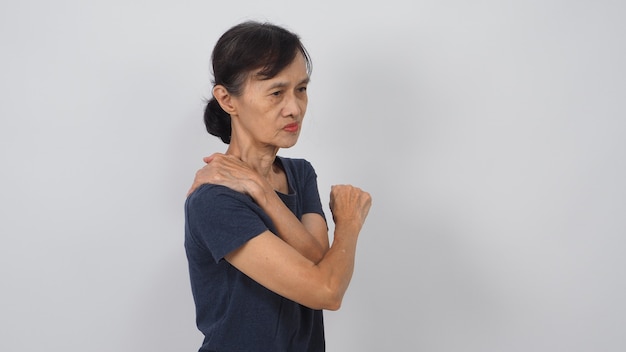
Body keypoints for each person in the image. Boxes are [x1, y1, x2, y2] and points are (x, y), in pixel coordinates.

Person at [184, 21, 372, 352]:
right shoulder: (214, 199)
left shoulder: (300, 174)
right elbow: (326, 289)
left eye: (301, 89)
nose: (294, 108)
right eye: (276, 92)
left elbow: (316, 257)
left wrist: (263, 191)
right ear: (227, 99)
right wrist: (350, 223)